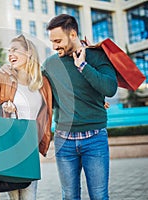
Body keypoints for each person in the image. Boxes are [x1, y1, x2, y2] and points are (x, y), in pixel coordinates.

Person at [42, 14, 118, 199]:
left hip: (94, 139)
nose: (54, 46)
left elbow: (110, 88)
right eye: (52, 41)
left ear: (73, 34)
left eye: (58, 40)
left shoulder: (97, 56)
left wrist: (83, 66)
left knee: (99, 195)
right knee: (69, 196)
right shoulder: (50, 64)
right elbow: (41, 95)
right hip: (64, 141)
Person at [0, 34, 53, 200]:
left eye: (15, 50)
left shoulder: (43, 82)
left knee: (29, 195)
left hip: (30, 145)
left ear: (29, 53)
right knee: (14, 195)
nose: (10, 54)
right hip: (10, 142)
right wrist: (4, 108)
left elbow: (56, 104)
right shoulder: (3, 76)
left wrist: (98, 100)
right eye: (9, 51)